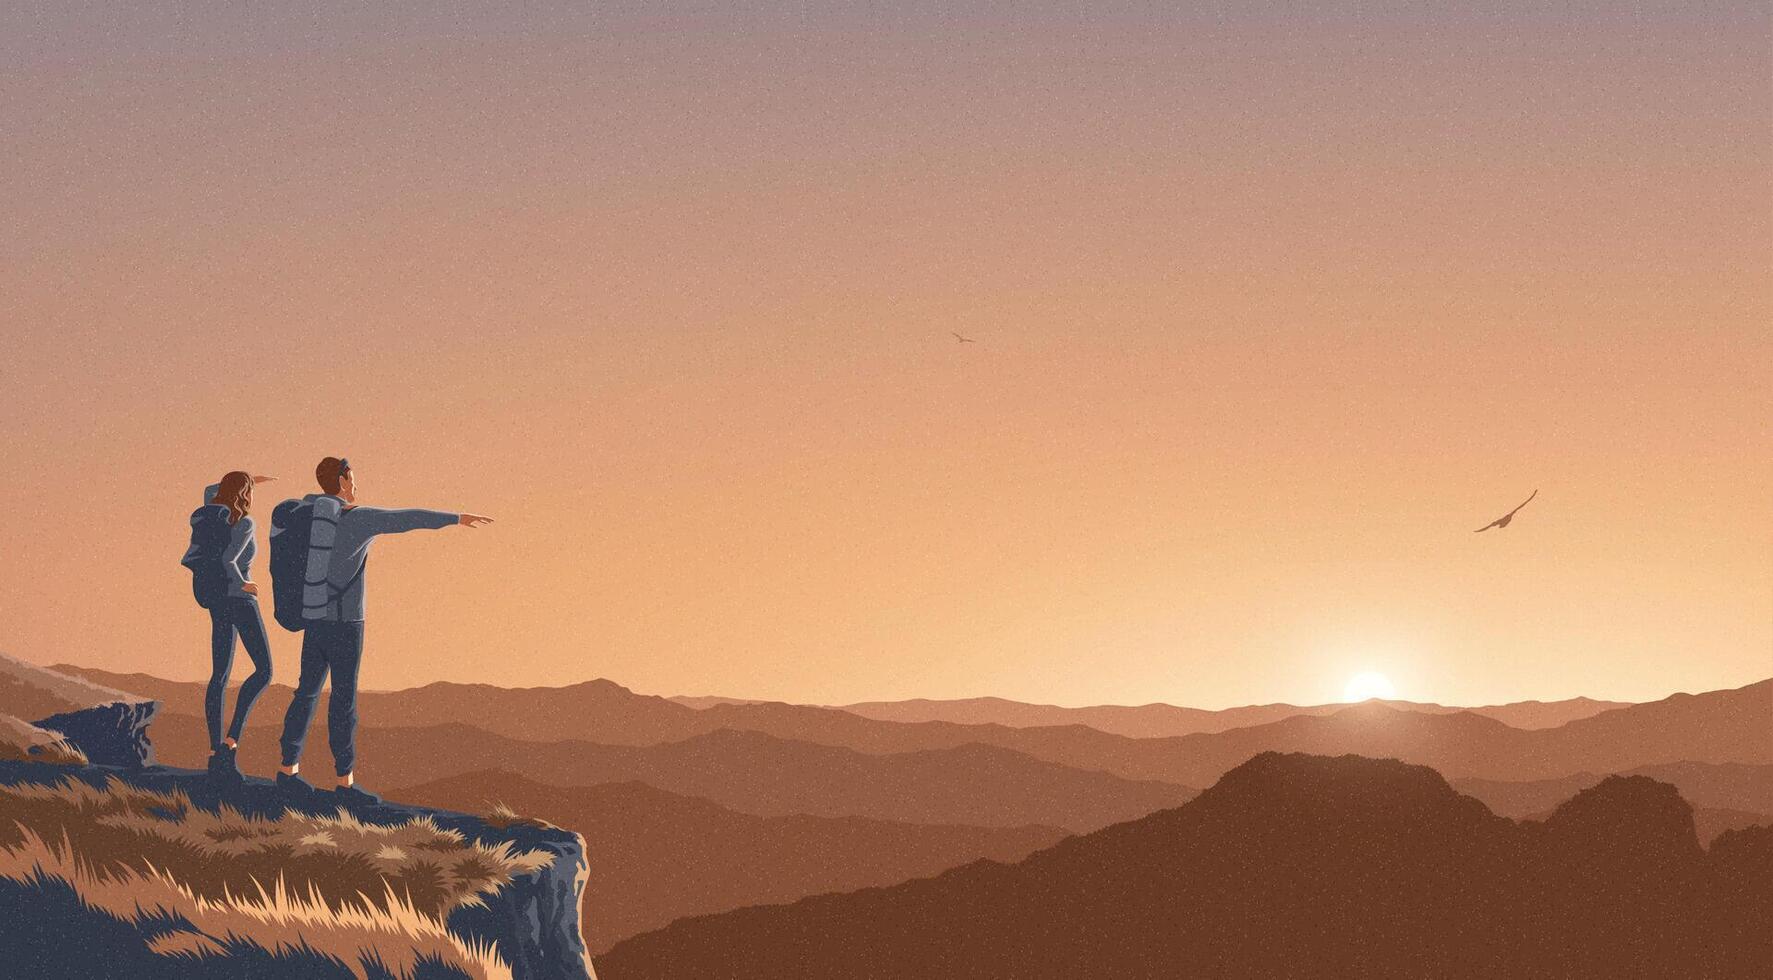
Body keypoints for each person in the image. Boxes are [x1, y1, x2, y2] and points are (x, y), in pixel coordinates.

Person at [276, 457, 492, 804]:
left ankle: (287, 770)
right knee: (343, 699)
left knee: (306, 692)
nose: (356, 484)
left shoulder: (309, 514)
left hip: (314, 617)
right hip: (347, 625)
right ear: (344, 480)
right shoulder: (359, 518)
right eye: (353, 477)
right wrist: (456, 518)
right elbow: (406, 519)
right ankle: (344, 783)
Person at [184, 471, 278, 783]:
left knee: (220, 675)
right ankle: (230, 742)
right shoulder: (245, 522)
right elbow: (229, 560)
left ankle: (214, 753)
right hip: (240, 598)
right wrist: (246, 584)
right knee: (264, 671)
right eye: (250, 489)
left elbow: (209, 488)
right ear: (245, 494)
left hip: (216, 599)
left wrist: (247, 478)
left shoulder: (210, 514)